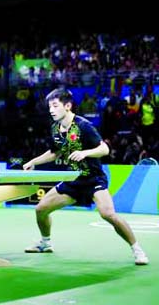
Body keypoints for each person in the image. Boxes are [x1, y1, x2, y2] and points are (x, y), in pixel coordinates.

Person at [22, 88, 149, 265]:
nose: (51, 110)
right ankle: (45, 242)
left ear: (67, 106)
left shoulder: (83, 125)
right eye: (50, 106)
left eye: (55, 106)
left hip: (93, 179)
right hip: (74, 180)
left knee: (108, 214)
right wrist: (33, 161)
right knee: (41, 209)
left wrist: (85, 153)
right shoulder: (56, 128)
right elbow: (55, 152)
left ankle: (137, 249)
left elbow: (104, 149)